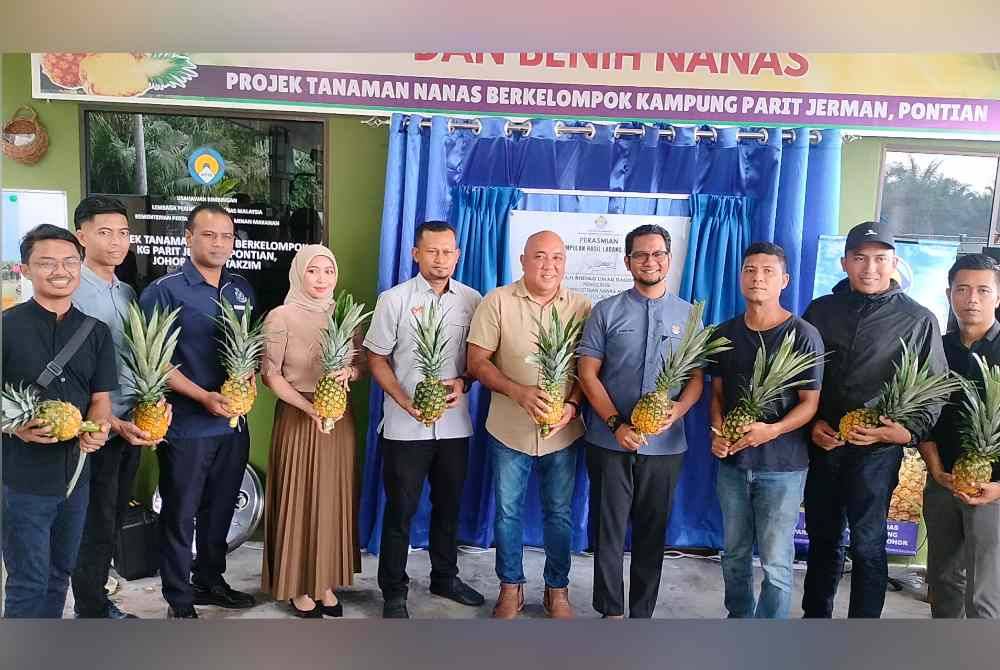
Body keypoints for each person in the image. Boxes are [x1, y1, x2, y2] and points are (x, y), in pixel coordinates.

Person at [802, 221, 947, 618]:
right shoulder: (820, 310)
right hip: (825, 446)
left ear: (894, 262)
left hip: (877, 454)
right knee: (823, 539)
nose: (870, 267)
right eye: (861, 258)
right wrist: (811, 425)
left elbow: (935, 387)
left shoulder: (918, 319)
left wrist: (906, 432)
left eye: (880, 259)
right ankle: (814, 623)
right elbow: (800, 377)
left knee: (867, 544)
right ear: (845, 262)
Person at [576, 224, 703, 619]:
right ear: (627, 260)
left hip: (666, 446)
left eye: (658, 254)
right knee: (608, 530)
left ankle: (642, 615)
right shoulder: (606, 311)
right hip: (609, 440)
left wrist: (676, 412)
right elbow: (587, 373)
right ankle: (611, 612)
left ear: (669, 258)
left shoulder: (689, 315)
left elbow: (697, 378)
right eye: (641, 255)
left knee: (653, 531)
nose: (651, 261)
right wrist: (617, 423)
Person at [138, 203, 256, 618]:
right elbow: (154, 360)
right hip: (187, 424)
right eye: (209, 235)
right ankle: (179, 597)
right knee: (180, 512)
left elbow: (248, 348)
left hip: (233, 424)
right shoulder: (164, 290)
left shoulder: (241, 288)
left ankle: (210, 580)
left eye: (227, 235)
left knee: (222, 507)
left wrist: (251, 377)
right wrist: (203, 396)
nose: (219, 243)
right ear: (188, 237)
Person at [467, 230, 591, 619]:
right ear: (523, 260)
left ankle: (558, 590)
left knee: (559, 513)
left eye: (557, 257)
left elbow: (590, 371)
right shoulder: (497, 302)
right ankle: (510, 587)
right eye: (540, 256)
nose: (549, 265)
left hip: (563, 432)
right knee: (507, 512)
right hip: (508, 429)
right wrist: (517, 392)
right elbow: (477, 362)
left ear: (565, 262)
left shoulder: (582, 307)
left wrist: (571, 406)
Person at [364, 221, 485, 619]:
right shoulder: (394, 300)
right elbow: (377, 358)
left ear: (458, 254)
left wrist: (465, 381)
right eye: (432, 251)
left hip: (454, 426)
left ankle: (444, 576)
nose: (441, 259)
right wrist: (401, 399)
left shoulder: (472, 300)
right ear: (416, 253)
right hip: (404, 428)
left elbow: (478, 361)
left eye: (448, 251)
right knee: (401, 510)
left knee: (448, 507)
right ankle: (394, 590)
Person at [2, 224, 113, 618]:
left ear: (80, 266)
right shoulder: (6, 327)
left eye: (69, 261)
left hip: (74, 479)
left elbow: (101, 399)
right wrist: (15, 427)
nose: (60, 270)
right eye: (46, 263)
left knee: (58, 574)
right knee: (27, 580)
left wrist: (98, 428)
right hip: (21, 481)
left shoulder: (95, 333)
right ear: (26, 270)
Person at [708, 242, 824, 618]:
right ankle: (739, 621)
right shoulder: (724, 332)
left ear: (784, 280)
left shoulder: (803, 335)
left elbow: (810, 403)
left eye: (767, 271)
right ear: (741, 277)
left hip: (783, 466)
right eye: (750, 270)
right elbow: (719, 395)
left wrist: (771, 431)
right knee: (735, 554)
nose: (757, 277)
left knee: (775, 561)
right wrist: (717, 433)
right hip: (733, 465)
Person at [71, 196, 167, 619]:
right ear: (81, 235)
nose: (116, 242)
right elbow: (71, 376)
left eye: (123, 233)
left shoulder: (126, 291)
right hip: (94, 430)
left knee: (110, 519)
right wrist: (110, 421)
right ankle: (91, 608)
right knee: (92, 523)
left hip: (132, 422)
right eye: (104, 232)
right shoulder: (71, 289)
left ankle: (98, 595)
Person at [260, 245, 364, 618]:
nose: (322, 279)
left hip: (340, 418)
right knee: (300, 498)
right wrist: (309, 408)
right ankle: (297, 584)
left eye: (329, 272)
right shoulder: (280, 317)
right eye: (313, 271)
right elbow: (270, 375)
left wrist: (348, 373)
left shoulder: (344, 315)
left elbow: (359, 366)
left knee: (333, 498)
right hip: (298, 415)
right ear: (298, 274)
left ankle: (324, 581)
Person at [919, 253, 1000, 618]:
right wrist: (936, 470)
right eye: (963, 289)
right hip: (942, 483)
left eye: (983, 290)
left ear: (997, 297)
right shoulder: (937, 347)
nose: (972, 299)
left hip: (993, 492)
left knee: (985, 591)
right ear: (949, 293)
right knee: (943, 579)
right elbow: (923, 415)